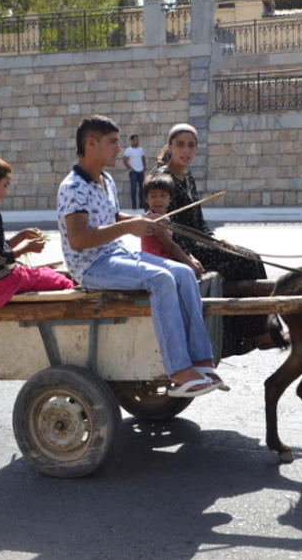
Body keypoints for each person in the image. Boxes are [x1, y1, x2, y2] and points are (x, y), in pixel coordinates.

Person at [56, 115, 224, 397]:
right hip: (91, 266)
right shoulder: (73, 187)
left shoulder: (105, 179)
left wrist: (142, 220)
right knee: (161, 279)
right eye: (112, 142)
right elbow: (79, 238)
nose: (119, 149)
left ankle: (201, 360)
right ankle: (178, 368)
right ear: (91, 144)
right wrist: (128, 226)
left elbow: (112, 217)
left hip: (115, 255)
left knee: (182, 273)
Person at [154, 123, 287, 355]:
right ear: (170, 147)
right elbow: (167, 228)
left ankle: (261, 324)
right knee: (246, 262)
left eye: (191, 146)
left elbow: (199, 221)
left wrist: (215, 239)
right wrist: (187, 257)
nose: (185, 151)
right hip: (184, 247)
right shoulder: (163, 180)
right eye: (180, 145)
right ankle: (258, 330)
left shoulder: (188, 177)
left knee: (252, 257)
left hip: (200, 242)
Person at [0, 153, 75, 308]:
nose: (6, 191)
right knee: (61, 281)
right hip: (2, 284)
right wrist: (27, 248)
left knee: (45, 273)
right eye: (5, 185)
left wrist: (21, 236)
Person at [141, 172, 204, 275]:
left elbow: (177, 242)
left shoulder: (166, 218)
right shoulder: (150, 221)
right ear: (146, 199)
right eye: (153, 196)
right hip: (154, 263)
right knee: (187, 271)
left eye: (163, 196)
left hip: (168, 260)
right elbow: (170, 246)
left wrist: (191, 258)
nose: (158, 200)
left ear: (170, 198)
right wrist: (191, 265)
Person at [121, 134, 145, 210]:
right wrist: (131, 168)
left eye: (138, 140)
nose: (137, 141)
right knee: (133, 189)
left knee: (142, 189)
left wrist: (144, 167)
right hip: (133, 172)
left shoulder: (141, 149)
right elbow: (125, 161)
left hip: (141, 171)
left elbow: (143, 158)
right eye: (135, 140)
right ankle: (134, 206)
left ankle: (142, 205)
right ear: (131, 140)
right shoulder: (128, 150)